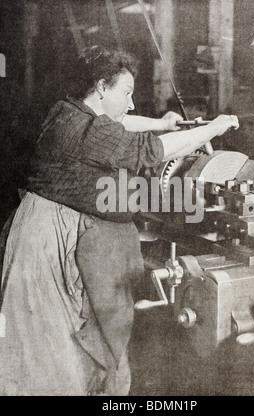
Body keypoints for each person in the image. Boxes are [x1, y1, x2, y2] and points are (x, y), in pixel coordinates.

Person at [0, 47, 239, 396]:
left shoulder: (69, 111)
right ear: (101, 87)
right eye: (125, 92)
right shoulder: (85, 129)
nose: (130, 103)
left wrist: (162, 123)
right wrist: (212, 129)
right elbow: (153, 151)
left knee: (66, 346)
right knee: (46, 353)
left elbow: (121, 124)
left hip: (44, 228)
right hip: (45, 245)